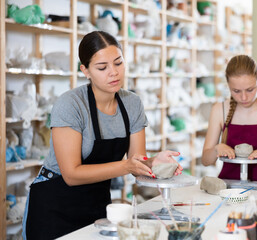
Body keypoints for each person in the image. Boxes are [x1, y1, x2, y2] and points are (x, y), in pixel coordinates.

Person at [22, 31, 183, 240]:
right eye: (102, 67)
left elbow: (137, 164)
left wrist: (154, 162)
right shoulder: (71, 104)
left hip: (96, 203)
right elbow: (71, 174)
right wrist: (127, 165)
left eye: (118, 63)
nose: (113, 73)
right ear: (86, 71)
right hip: (55, 203)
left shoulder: (132, 104)